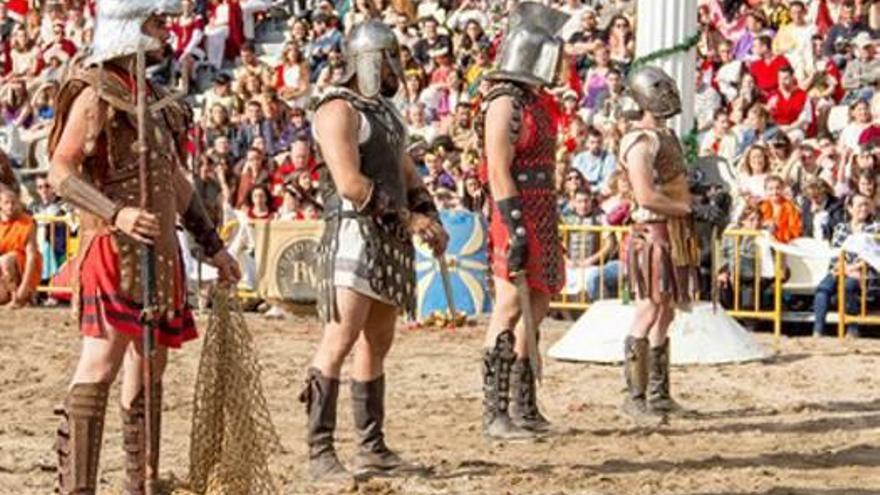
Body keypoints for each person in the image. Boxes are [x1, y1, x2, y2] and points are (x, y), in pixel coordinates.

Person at [46, 2, 240, 492]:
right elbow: (60, 171)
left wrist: (212, 245)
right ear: (129, 26)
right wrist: (117, 213)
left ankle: (143, 481)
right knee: (102, 359)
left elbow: (175, 181)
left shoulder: (153, 97)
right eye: (155, 22)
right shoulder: (94, 92)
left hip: (159, 248)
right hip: (114, 245)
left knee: (151, 362)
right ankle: (78, 487)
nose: (165, 29)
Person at [303, 19, 447, 485]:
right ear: (370, 60)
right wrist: (411, 219)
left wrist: (430, 213)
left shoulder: (385, 113)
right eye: (389, 60)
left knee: (377, 342)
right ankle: (320, 450)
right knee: (340, 338)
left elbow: (406, 175)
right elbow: (350, 184)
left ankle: (371, 447)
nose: (395, 70)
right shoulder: (336, 109)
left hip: (388, 239)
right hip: (355, 234)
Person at [476, 1, 568, 440]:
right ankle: (495, 411)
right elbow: (498, 168)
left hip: (542, 206)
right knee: (511, 303)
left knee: (539, 302)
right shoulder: (503, 103)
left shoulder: (533, 102)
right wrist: (513, 226)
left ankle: (524, 403)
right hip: (514, 208)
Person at [617, 65, 725, 419]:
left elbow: (674, 183)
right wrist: (688, 208)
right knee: (649, 308)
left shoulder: (665, 137)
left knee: (665, 311)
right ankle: (635, 397)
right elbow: (646, 196)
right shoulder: (640, 141)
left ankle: (658, 393)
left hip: (674, 230)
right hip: (654, 232)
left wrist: (700, 201)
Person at [812, 193, 879, 338]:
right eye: (859, 205)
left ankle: (852, 328)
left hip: (864, 271)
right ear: (850, 208)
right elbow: (836, 252)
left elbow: (873, 255)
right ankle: (818, 330)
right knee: (823, 289)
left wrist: (854, 268)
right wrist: (844, 268)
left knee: (848, 286)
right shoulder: (841, 228)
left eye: (866, 205)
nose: (863, 208)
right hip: (841, 268)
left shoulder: (874, 228)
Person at [0, 186, 41, 307]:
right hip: (4, 270)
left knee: (5, 260)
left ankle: (17, 297)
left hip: (23, 263)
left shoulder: (27, 222)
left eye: (13, 202)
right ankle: (25, 297)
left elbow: (31, 256)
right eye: (6, 203)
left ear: (18, 203)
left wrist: (24, 285)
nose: (10, 206)